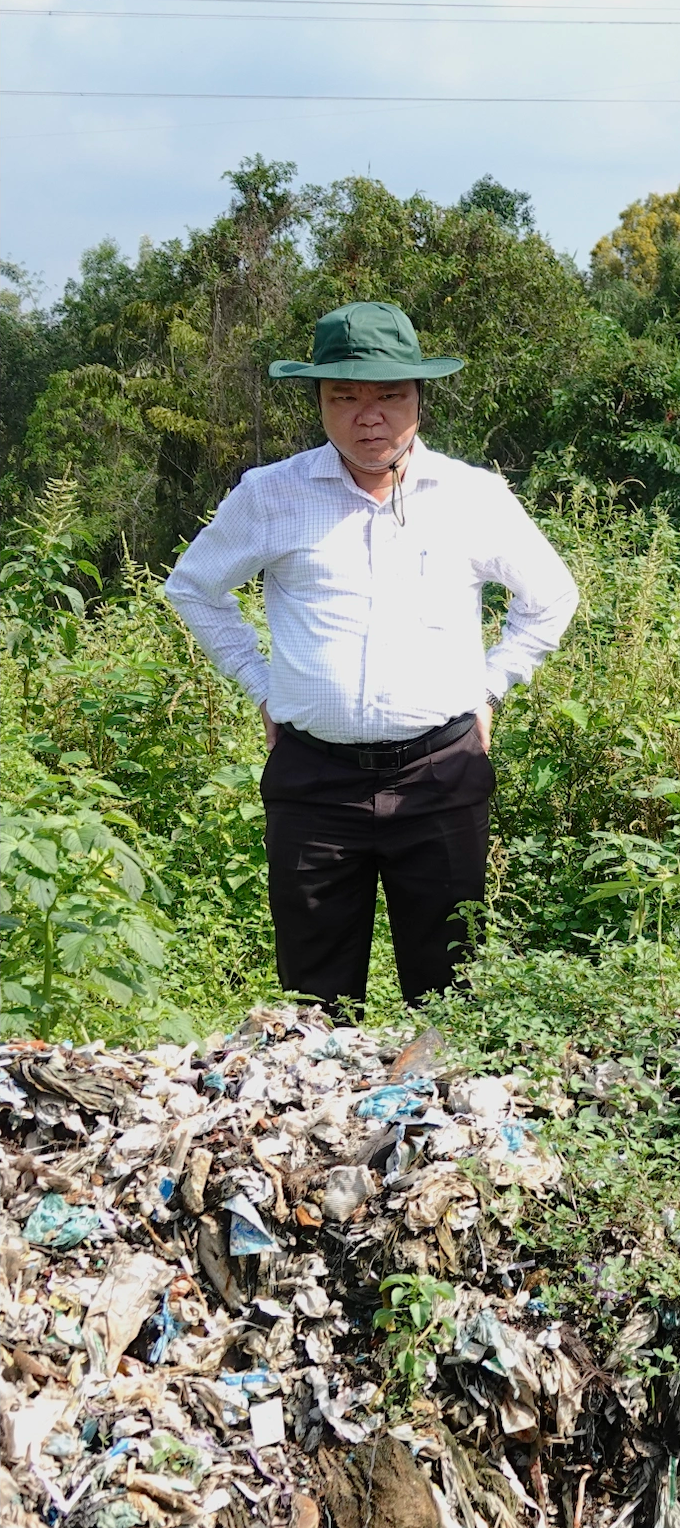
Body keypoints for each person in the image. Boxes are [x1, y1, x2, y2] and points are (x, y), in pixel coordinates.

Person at [164, 301, 578, 1017]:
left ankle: (437, 1127)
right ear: (319, 403)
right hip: (314, 781)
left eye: (389, 396)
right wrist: (261, 685)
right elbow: (194, 589)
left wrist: (491, 687)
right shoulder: (272, 495)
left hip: (441, 773)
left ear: (418, 398)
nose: (369, 417)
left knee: (451, 999)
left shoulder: (471, 496)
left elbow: (550, 597)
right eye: (344, 397)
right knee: (313, 1004)